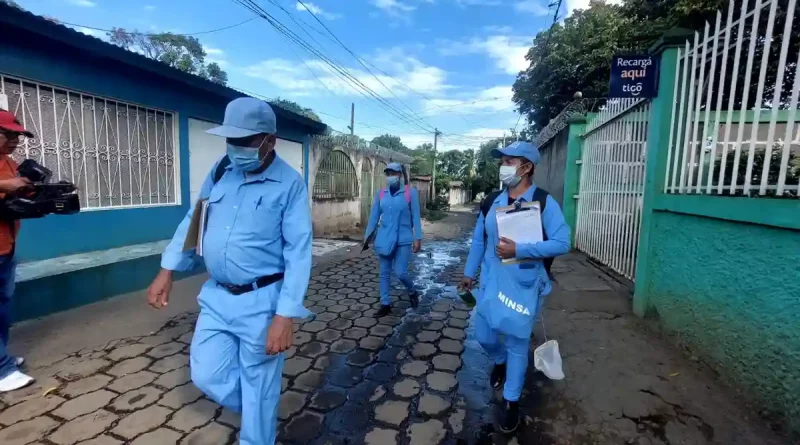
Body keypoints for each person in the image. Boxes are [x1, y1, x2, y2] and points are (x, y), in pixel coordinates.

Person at [147, 98, 312, 445]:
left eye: (245, 141)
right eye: (231, 140)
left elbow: (299, 252)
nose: (236, 148)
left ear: (270, 140)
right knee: (206, 373)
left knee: (259, 383)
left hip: (262, 302)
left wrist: (285, 316)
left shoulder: (289, 184)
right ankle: (259, 411)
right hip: (217, 296)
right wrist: (168, 269)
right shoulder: (222, 170)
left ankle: (257, 431)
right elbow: (195, 220)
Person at [460, 141, 570, 433]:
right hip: (492, 282)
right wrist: (470, 273)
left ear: (526, 167)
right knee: (483, 333)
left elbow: (562, 243)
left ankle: (511, 401)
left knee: (517, 343)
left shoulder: (544, 202)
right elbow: (480, 240)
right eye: (503, 161)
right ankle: (499, 361)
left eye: (509, 161)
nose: (504, 166)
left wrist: (520, 249)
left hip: (524, 283)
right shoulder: (492, 200)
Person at [0, 110, 33, 393]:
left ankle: (2, 358)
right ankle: (2, 371)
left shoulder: (9, 162)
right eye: (7, 134)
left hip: (6, 247)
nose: (14, 141)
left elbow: (13, 195)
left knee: (3, 308)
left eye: (17, 136)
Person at [363, 162, 422, 317]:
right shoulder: (381, 193)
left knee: (401, 272)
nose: (390, 177)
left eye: (393, 173)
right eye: (388, 174)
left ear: (400, 175)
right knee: (384, 273)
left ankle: (412, 291)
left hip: (404, 239)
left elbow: (416, 216)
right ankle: (385, 304)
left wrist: (418, 238)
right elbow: (374, 216)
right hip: (384, 238)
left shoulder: (410, 193)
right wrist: (367, 238)